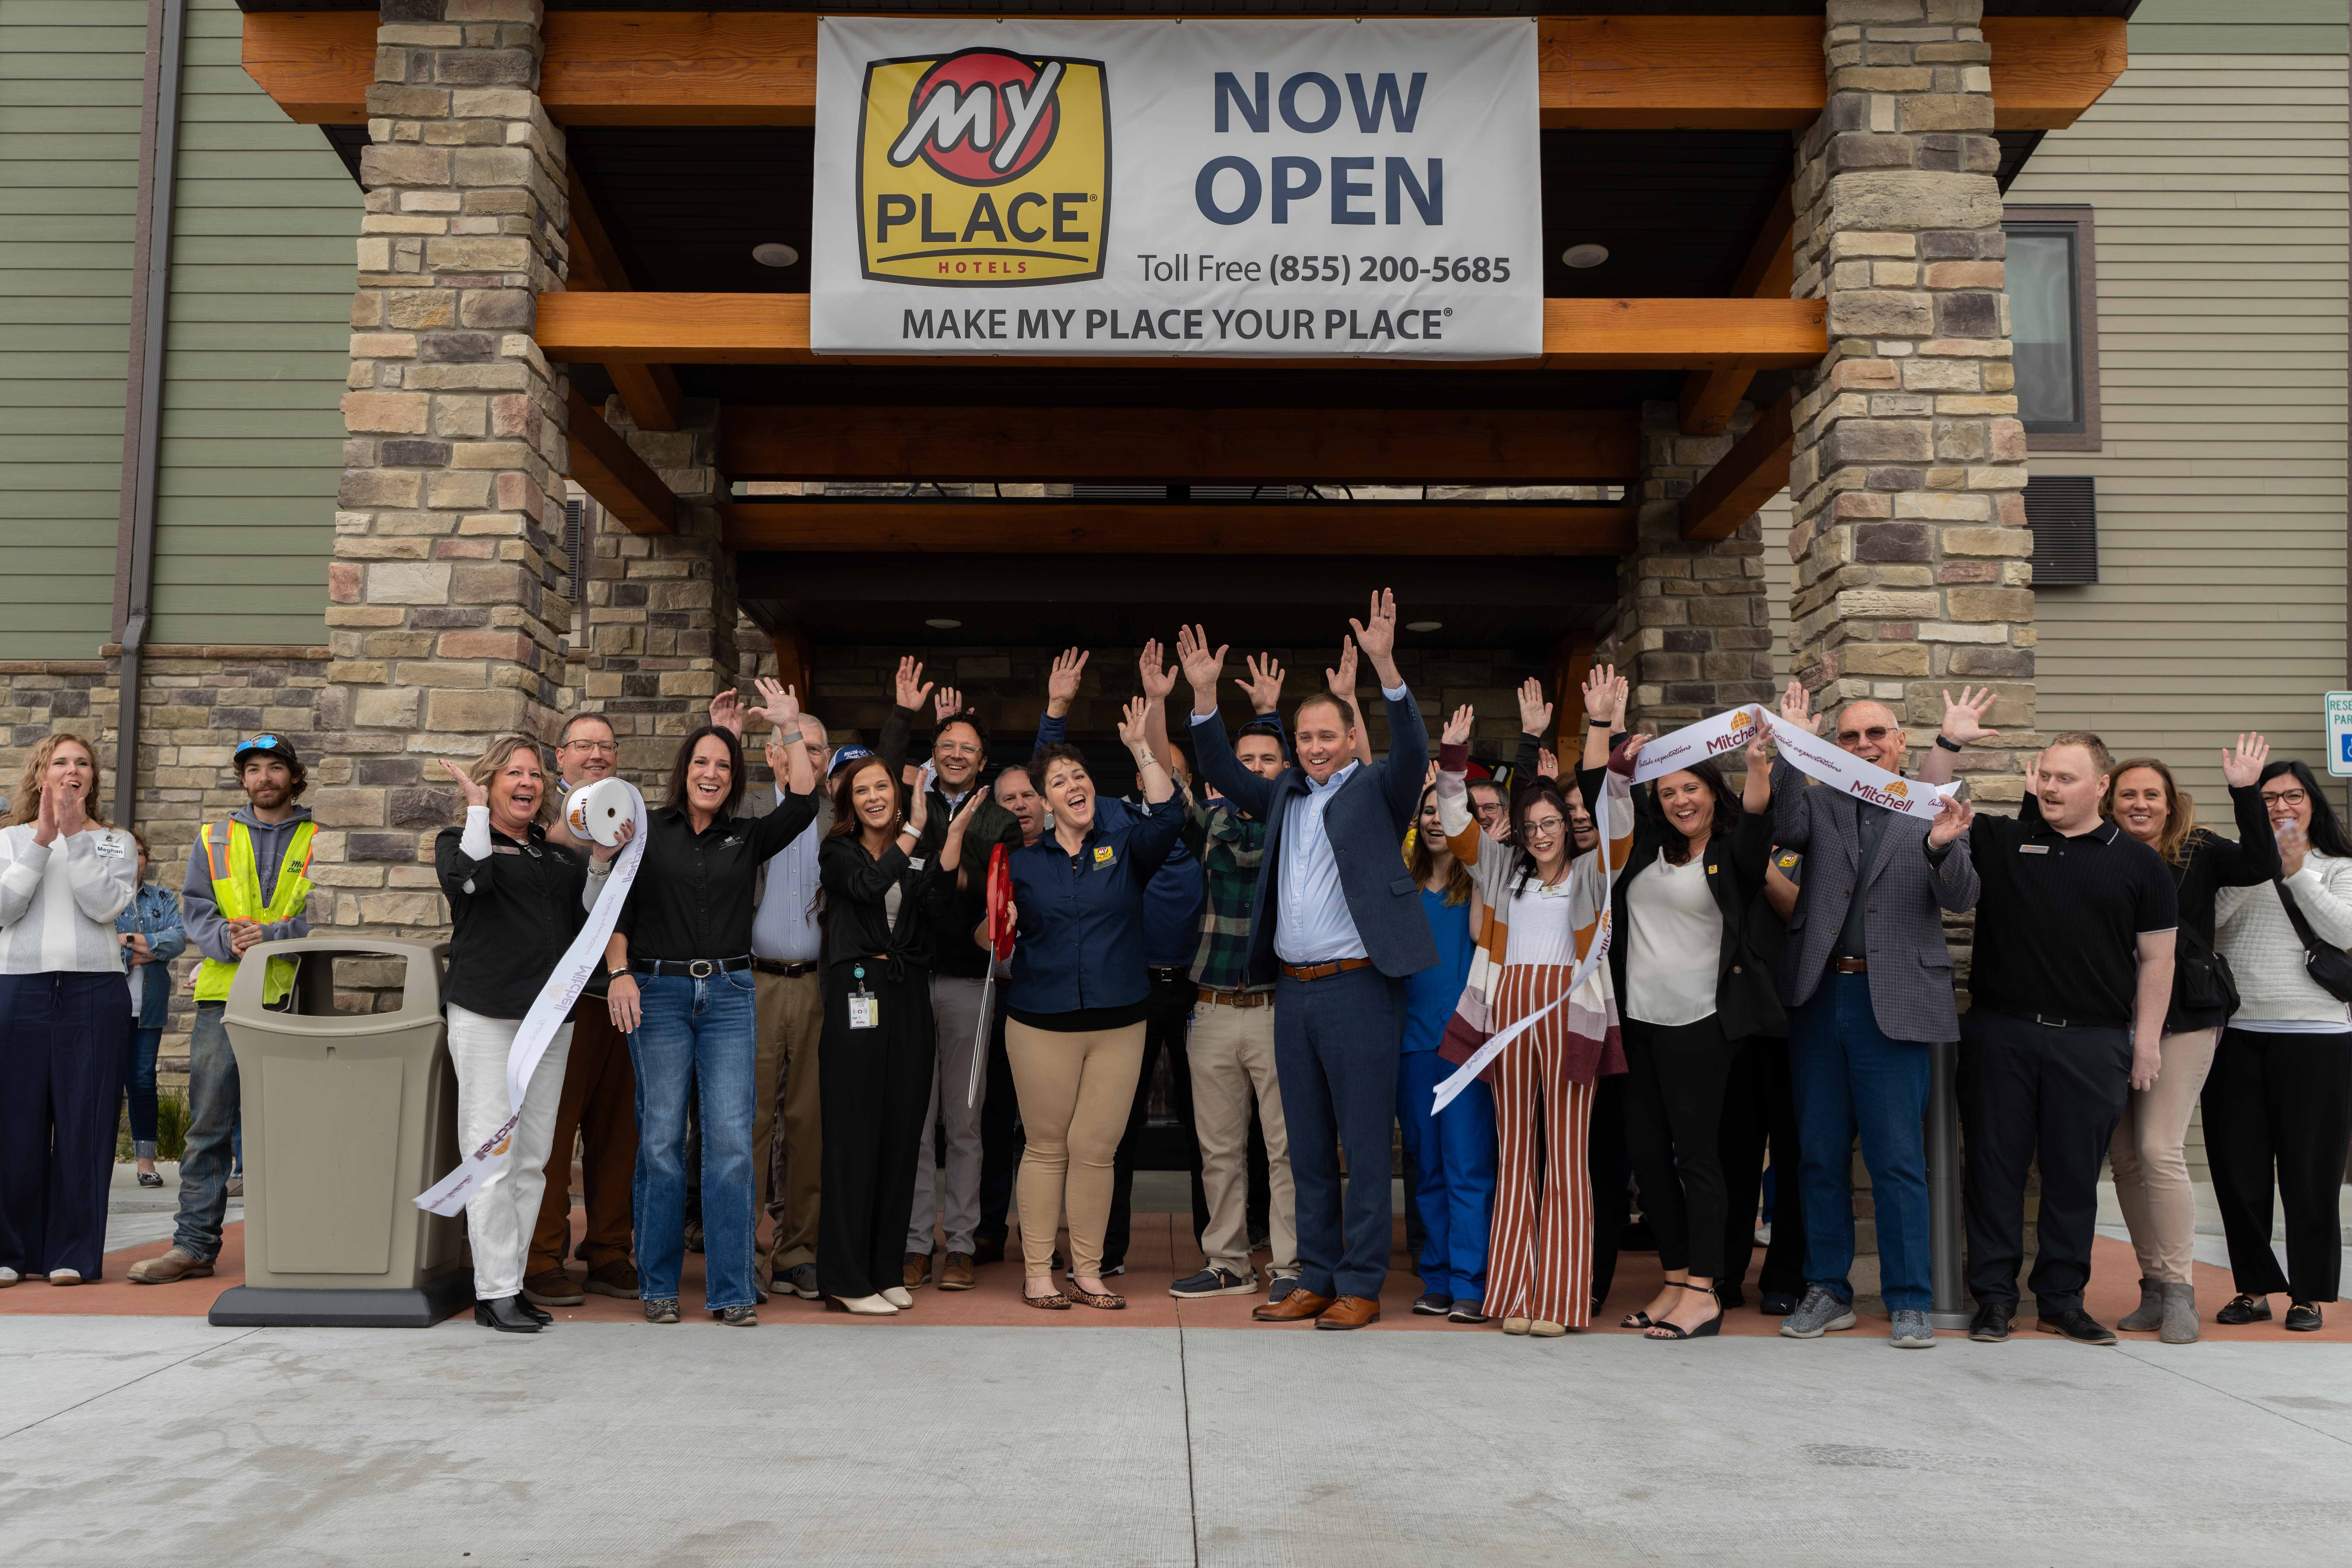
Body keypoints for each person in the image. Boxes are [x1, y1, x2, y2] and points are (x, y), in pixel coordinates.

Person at [1180, 590, 1435, 1331]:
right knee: (1307, 1146)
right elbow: (1225, 772)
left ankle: (1360, 1281)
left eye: (1330, 734)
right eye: (1308, 736)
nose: (1319, 746)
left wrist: (1387, 669)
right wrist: (1202, 698)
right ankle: (1315, 1276)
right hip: (1291, 993)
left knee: (1361, 1143)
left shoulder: (1380, 790)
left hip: (1359, 990)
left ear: (1353, 736)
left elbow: (1415, 752)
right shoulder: (1285, 792)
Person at [2021, 739, 2275, 1343]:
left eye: (2151, 795)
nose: (2139, 804)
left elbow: (2261, 864)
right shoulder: (2093, 851)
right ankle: (2153, 1286)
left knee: (2159, 1149)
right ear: (2108, 797)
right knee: (2127, 1158)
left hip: (2184, 1015)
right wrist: (2036, 796)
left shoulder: (2198, 851)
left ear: (2170, 804)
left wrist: (2245, 792)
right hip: (2108, 1016)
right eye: (2129, 794)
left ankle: (2181, 1288)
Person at [1765, 681, 1981, 1348]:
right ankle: (1828, 1290)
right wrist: (1791, 747)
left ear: (1899, 742)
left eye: (1874, 735)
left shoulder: (1930, 805)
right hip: (1820, 997)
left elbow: (1963, 897)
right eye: (1849, 738)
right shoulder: (1819, 802)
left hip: (1893, 1004)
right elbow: (1780, 830)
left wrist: (1942, 846)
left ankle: (1909, 1299)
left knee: (1895, 1161)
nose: (1863, 746)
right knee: (1818, 1158)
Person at [604, 690, 819, 1326]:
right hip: (659, 995)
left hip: (728, 997)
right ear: (684, 770)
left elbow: (806, 802)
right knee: (664, 1145)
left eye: (724, 766)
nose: (711, 773)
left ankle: (730, 1292)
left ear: (735, 780)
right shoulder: (645, 830)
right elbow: (620, 910)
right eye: (702, 762)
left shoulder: (749, 836)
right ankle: (660, 1285)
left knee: (729, 1145)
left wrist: (786, 728)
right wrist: (620, 974)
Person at [1578, 668, 1779, 1341]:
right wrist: (1602, 726)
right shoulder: (1642, 849)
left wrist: (1757, 765)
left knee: (1699, 1158)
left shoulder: (1729, 852)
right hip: (1637, 1024)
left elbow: (1757, 822)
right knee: (1646, 1156)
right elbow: (1592, 793)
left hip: (1703, 1025)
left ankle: (1707, 1289)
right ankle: (1672, 1279)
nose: (1678, 801)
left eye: (1689, 788)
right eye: (1667, 792)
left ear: (1709, 791)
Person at [1957, 732, 2176, 1347]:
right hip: (2000, 1034)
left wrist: (2147, 1042)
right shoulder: (2004, 841)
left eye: (2065, 778)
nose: (2050, 787)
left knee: (2073, 1178)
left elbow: (2157, 960)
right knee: (1993, 1172)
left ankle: (2060, 1301)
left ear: (2100, 787)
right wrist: (1948, 742)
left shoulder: (2139, 863)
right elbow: (1928, 798)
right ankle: (1994, 1301)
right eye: (2045, 776)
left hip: (2092, 1043)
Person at [435, 738, 630, 1332]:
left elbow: (593, 921)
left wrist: (599, 861)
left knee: (534, 1162)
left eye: (535, 776)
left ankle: (512, 1285)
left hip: (552, 1022)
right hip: (487, 1017)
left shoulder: (556, 858)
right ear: (490, 782)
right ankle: (492, 1292)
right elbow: (469, 884)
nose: (527, 783)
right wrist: (472, 810)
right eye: (513, 774)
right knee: (491, 1155)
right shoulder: (459, 843)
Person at [1001, 697, 1185, 1311]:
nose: (1072, 785)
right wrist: (994, 923)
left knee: (1096, 1150)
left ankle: (1087, 1270)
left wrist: (1140, 748)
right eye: (1058, 782)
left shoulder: (1125, 847)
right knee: (1047, 1145)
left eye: (1079, 777)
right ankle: (1036, 1273)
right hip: (1040, 1023)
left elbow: (1168, 812)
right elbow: (990, 931)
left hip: (1118, 1022)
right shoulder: (1022, 863)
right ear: (1044, 803)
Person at [130, 735, 315, 1287]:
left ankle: (299, 1244)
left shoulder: (321, 837)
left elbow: (328, 911)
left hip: (297, 994)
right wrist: (225, 941)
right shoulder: (213, 836)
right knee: (208, 1125)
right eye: (253, 770)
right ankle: (192, 1247)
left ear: (293, 776)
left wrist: (275, 935)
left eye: (274, 768)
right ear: (243, 780)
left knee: (295, 1126)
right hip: (224, 995)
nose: (263, 778)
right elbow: (195, 908)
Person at [816, 754, 981, 1315]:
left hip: (907, 989)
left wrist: (951, 836)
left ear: (896, 790)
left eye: (880, 786)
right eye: (861, 790)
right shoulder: (838, 851)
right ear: (848, 802)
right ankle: (843, 1275)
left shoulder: (916, 854)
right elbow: (866, 885)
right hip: (857, 989)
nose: (872, 797)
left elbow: (937, 906)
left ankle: (885, 1268)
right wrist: (913, 830)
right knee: (855, 1135)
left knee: (901, 1133)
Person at [880, 660, 1022, 1293]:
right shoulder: (910, 802)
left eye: (967, 748)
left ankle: (960, 1245)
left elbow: (980, 884)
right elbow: (923, 878)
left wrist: (949, 876)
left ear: (982, 760)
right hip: (910, 979)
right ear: (931, 756)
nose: (956, 755)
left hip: (970, 983)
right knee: (914, 1120)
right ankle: (915, 1244)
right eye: (946, 748)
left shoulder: (999, 817)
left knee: (964, 1124)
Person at [1171, 656, 1301, 1303]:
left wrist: (1274, 715)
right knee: (1218, 1150)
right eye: (1243, 760)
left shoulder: (1300, 825)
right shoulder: (1211, 824)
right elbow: (1172, 796)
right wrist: (1195, 698)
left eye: (1266, 759)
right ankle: (1226, 1261)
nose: (1253, 769)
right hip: (1214, 1007)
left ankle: (1290, 1265)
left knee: (1286, 1150)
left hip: (1281, 1007)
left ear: (1284, 771)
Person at [2206, 758, 2352, 1333]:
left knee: (2309, 1174)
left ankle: (2308, 1295)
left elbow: (2344, 932)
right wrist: (2260, 865)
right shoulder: (2235, 864)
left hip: (2317, 1038)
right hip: (2238, 1035)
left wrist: (2295, 871)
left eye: (2291, 796)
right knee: (2238, 1173)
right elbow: (2210, 925)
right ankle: (2252, 1289)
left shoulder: (2337, 866)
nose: (2279, 807)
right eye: (2266, 798)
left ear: (2311, 802)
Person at [704, 690, 837, 1305]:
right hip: (750, 984)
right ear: (771, 754)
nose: (801, 755)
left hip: (817, 986)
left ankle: (797, 1255)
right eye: (791, 743)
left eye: (813, 747)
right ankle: (740, 1256)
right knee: (746, 1123)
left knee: (808, 1125)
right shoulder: (746, 811)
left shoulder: (841, 818)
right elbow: (706, 785)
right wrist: (722, 737)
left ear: (828, 758)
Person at [0, 734, 138, 1288]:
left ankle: (74, 1254)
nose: (72, 769)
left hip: (94, 995)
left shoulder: (114, 842)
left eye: (82, 762)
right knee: (14, 1125)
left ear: (91, 778)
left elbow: (104, 906)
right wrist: (41, 840)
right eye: (61, 762)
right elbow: (5, 910)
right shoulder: (9, 840)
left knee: (87, 1124)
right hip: (18, 992)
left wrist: (76, 837)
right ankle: (10, 1252)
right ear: (41, 775)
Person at [524, 711, 642, 1309]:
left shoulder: (633, 821)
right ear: (560, 756)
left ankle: (608, 1252)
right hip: (565, 1005)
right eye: (583, 746)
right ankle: (542, 1257)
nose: (596, 755)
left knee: (620, 1136)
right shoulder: (548, 830)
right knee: (551, 1133)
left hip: (627, 1001)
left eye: (605, 746)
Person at [1100, 644, 1211, 1277]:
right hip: (1134, 994)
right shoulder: (1115, 820)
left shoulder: (1196, 824)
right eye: (1149, 768)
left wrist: (1162, 706)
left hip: (1195, 993)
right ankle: (1108, 1251)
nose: (1160, 779)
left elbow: (1168, 786)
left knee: (1206, 1132)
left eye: (1174, 773)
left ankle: (1213, 1250)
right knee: (1118, 1131)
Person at [1402, 766, 1498, 1324]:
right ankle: (1436, 1277)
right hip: (1411, 1046)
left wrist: (1480, 859)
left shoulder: (1477, 881)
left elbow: (1480, 938)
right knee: (1428, 1167)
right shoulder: (1402, 884)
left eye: (1447, 811)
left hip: (1465, 1044)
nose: (1436, 819)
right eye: (1429, 811)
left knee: (1467, 1165)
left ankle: (1470, 1281)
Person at [973, 761, 1047, 1266]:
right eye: (1008, 800)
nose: (1020, 806)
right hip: (998, 997)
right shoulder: (989, 859)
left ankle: (1042, 1237)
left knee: (1047, 1129)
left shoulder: (1065, 856)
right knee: (994, 1119)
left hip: (1048, 1003)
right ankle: (989, 1230)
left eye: (1027, 796)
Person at [114, 827, 186, 1188]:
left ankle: (146, 1163)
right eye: (127, 854)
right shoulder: (101, 900)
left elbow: (176, 941)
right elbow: (96, 950)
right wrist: (144, 953)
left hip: (149, 1009)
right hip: (106, 1009)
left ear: (146, 860)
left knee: (143, 1083)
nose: (134, 861)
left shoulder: (162, 898)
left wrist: (124, 942)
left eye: (139, 854)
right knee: (105, 1086)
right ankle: (94, 1163)